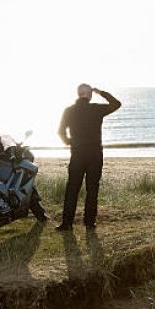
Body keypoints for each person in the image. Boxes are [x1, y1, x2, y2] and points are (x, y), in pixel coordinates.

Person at [55, 84, 121, 231]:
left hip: (77, 154)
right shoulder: (96, 109)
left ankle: (67, 223)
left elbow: (60, 131)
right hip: (95, 155)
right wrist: (101, 92)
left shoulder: (69, 110)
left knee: (72, 189)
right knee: (92, 189)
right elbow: (117, 104)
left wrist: (69, 142)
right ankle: (89, 223)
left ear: (78, 94)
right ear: (89, 94)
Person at [0, 125, 48, 222]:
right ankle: (40, 215)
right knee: (26, 186)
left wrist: (12, 152)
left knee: (22, 185)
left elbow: (8, 151)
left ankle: (39, 215)